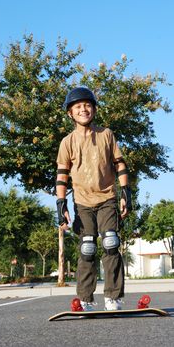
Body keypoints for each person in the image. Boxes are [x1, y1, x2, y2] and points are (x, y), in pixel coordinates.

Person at [56, 86, 132, 311]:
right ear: (70, 113)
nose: (83, 109)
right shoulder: (67, 142)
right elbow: (62, 176)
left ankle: (113, 296)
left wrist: (126, 193)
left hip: (107, 196)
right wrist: (61, 204)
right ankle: (86, 299)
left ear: (94, 109)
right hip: (82, 202)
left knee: (110, 242)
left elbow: (120, 163)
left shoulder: (106, 134)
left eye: (87, 105)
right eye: (78, 107)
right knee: (87, 247)